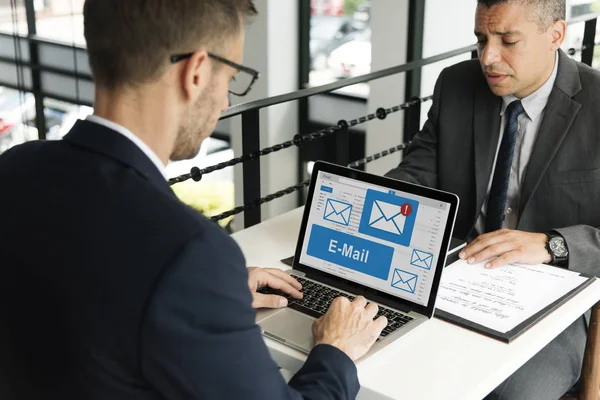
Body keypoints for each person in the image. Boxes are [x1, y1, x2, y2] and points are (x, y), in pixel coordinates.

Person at [0, 1, 387, 399]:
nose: (227, 103)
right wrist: (336, 351)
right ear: (196, 72)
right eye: (231, 80)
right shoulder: (189, 252)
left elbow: (90, 293)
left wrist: (210, 299)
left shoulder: (16, 169)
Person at [386, 0, 600, 398]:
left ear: (556, 35)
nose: (488, 57)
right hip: (458, 270)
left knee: (507, 392)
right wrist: (381, 203)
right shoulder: (456, 84)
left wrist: (551, 244)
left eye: (509, 40)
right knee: (385, 357)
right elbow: (418, 171)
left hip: (557, 296)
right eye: (481, 39)